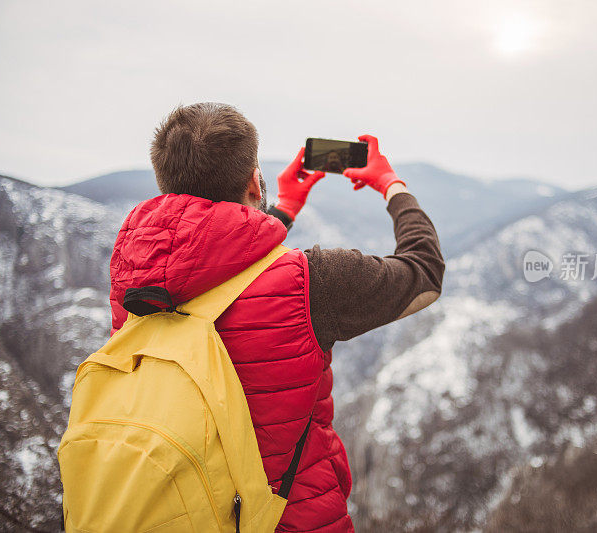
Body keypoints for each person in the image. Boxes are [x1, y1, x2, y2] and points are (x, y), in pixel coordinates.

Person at [107, 102, 445, 532]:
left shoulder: (132, 280)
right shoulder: (316, 281)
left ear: (164, 180)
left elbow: (214, 268)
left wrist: (284, 207)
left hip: (174, 512)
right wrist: (390, 183)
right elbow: (425, 274)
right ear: (253, 180)